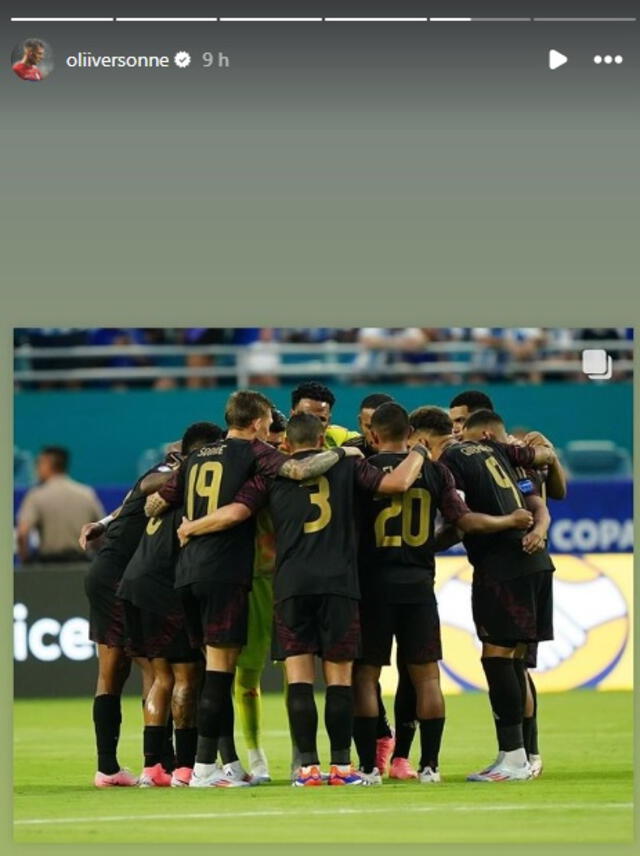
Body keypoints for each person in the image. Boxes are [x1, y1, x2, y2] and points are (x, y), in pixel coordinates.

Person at [177, 412, 432, 787]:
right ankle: (342, 768)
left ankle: (307, 769)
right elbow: (397, 483)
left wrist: (192, 526)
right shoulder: (349, 468)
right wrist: (421, 452)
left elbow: (235, 512)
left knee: (298, 679)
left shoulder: (271, 474)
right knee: (339, 680)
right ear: (321, 440)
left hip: (291, 585)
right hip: (340, 585)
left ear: (287, 444)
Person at [147, 390, 361, 788]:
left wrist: (189, 521)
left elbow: (154, 503)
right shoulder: (260, 457)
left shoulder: (198, 456)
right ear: (259, 422)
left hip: (188, 572)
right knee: (222, 675)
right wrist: (344, 454)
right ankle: (209, 767)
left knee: (211, 672)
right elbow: (297, 471)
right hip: (233, 572)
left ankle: (219, 764)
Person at [353, 404, 533, 784]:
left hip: (372, 585)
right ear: (412, 436)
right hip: (419, 585)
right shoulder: (436, 472)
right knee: (427, 679)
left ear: (373, 436)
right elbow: (463, 521)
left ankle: (369, 767)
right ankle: (430, 766)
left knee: (366, 676)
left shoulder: (362, 471)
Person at [81, 423, 222, 788]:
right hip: (117, 574)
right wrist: (187, 469)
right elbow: (145, 488)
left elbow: (130, 500)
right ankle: (121, 766)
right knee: (137, 671)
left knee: (147, 670)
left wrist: (103, 521)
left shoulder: (176, 479)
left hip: (121, 574)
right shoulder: (166, 472)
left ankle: (155, 763)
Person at [447, 390, 567, 776]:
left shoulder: (475, 454)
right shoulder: (509, 457)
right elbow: (538, 503)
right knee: (514, 663)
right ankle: (526, 757)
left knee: (501, 660)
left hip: (506, 567)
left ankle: (518, 755)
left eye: (460, 423)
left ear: (481, 430)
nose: (455, 431)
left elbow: (542, 501)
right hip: (531, 563)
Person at [16, 446, 104, 564]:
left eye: (39, 463)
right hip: (81, 564)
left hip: (48, 566)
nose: (36, 469)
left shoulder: (36, 496)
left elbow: (22, 533)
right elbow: (101, 532)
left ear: (47, 464)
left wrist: (26, 561)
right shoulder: (86, 494)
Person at [290, 380, 359, 448]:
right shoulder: (280, 442)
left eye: (321, 419)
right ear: (292, 416)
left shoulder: (337, 436)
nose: (313, 425)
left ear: (328, 421)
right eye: (307, 417)